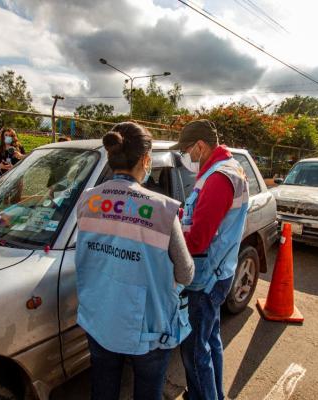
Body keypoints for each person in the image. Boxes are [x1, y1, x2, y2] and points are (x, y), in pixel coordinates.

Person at [74, 122, 195, 400]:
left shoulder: (87, 201)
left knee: (103, 389)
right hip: (148, 330)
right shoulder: (161, 209)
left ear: (111, 156)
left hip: (99, 318)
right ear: (145, 159)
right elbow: (186, 273)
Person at [171, 119, 249, 400]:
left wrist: (166, 240)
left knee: (193, 351)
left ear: (201, 146)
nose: (186, 156)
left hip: (206, 278)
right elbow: (200, 219)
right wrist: (177, 217)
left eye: (187, 150)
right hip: (218, 272)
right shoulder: (221, 169)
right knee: (210, 342)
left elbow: (197, 240)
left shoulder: (218, 178)